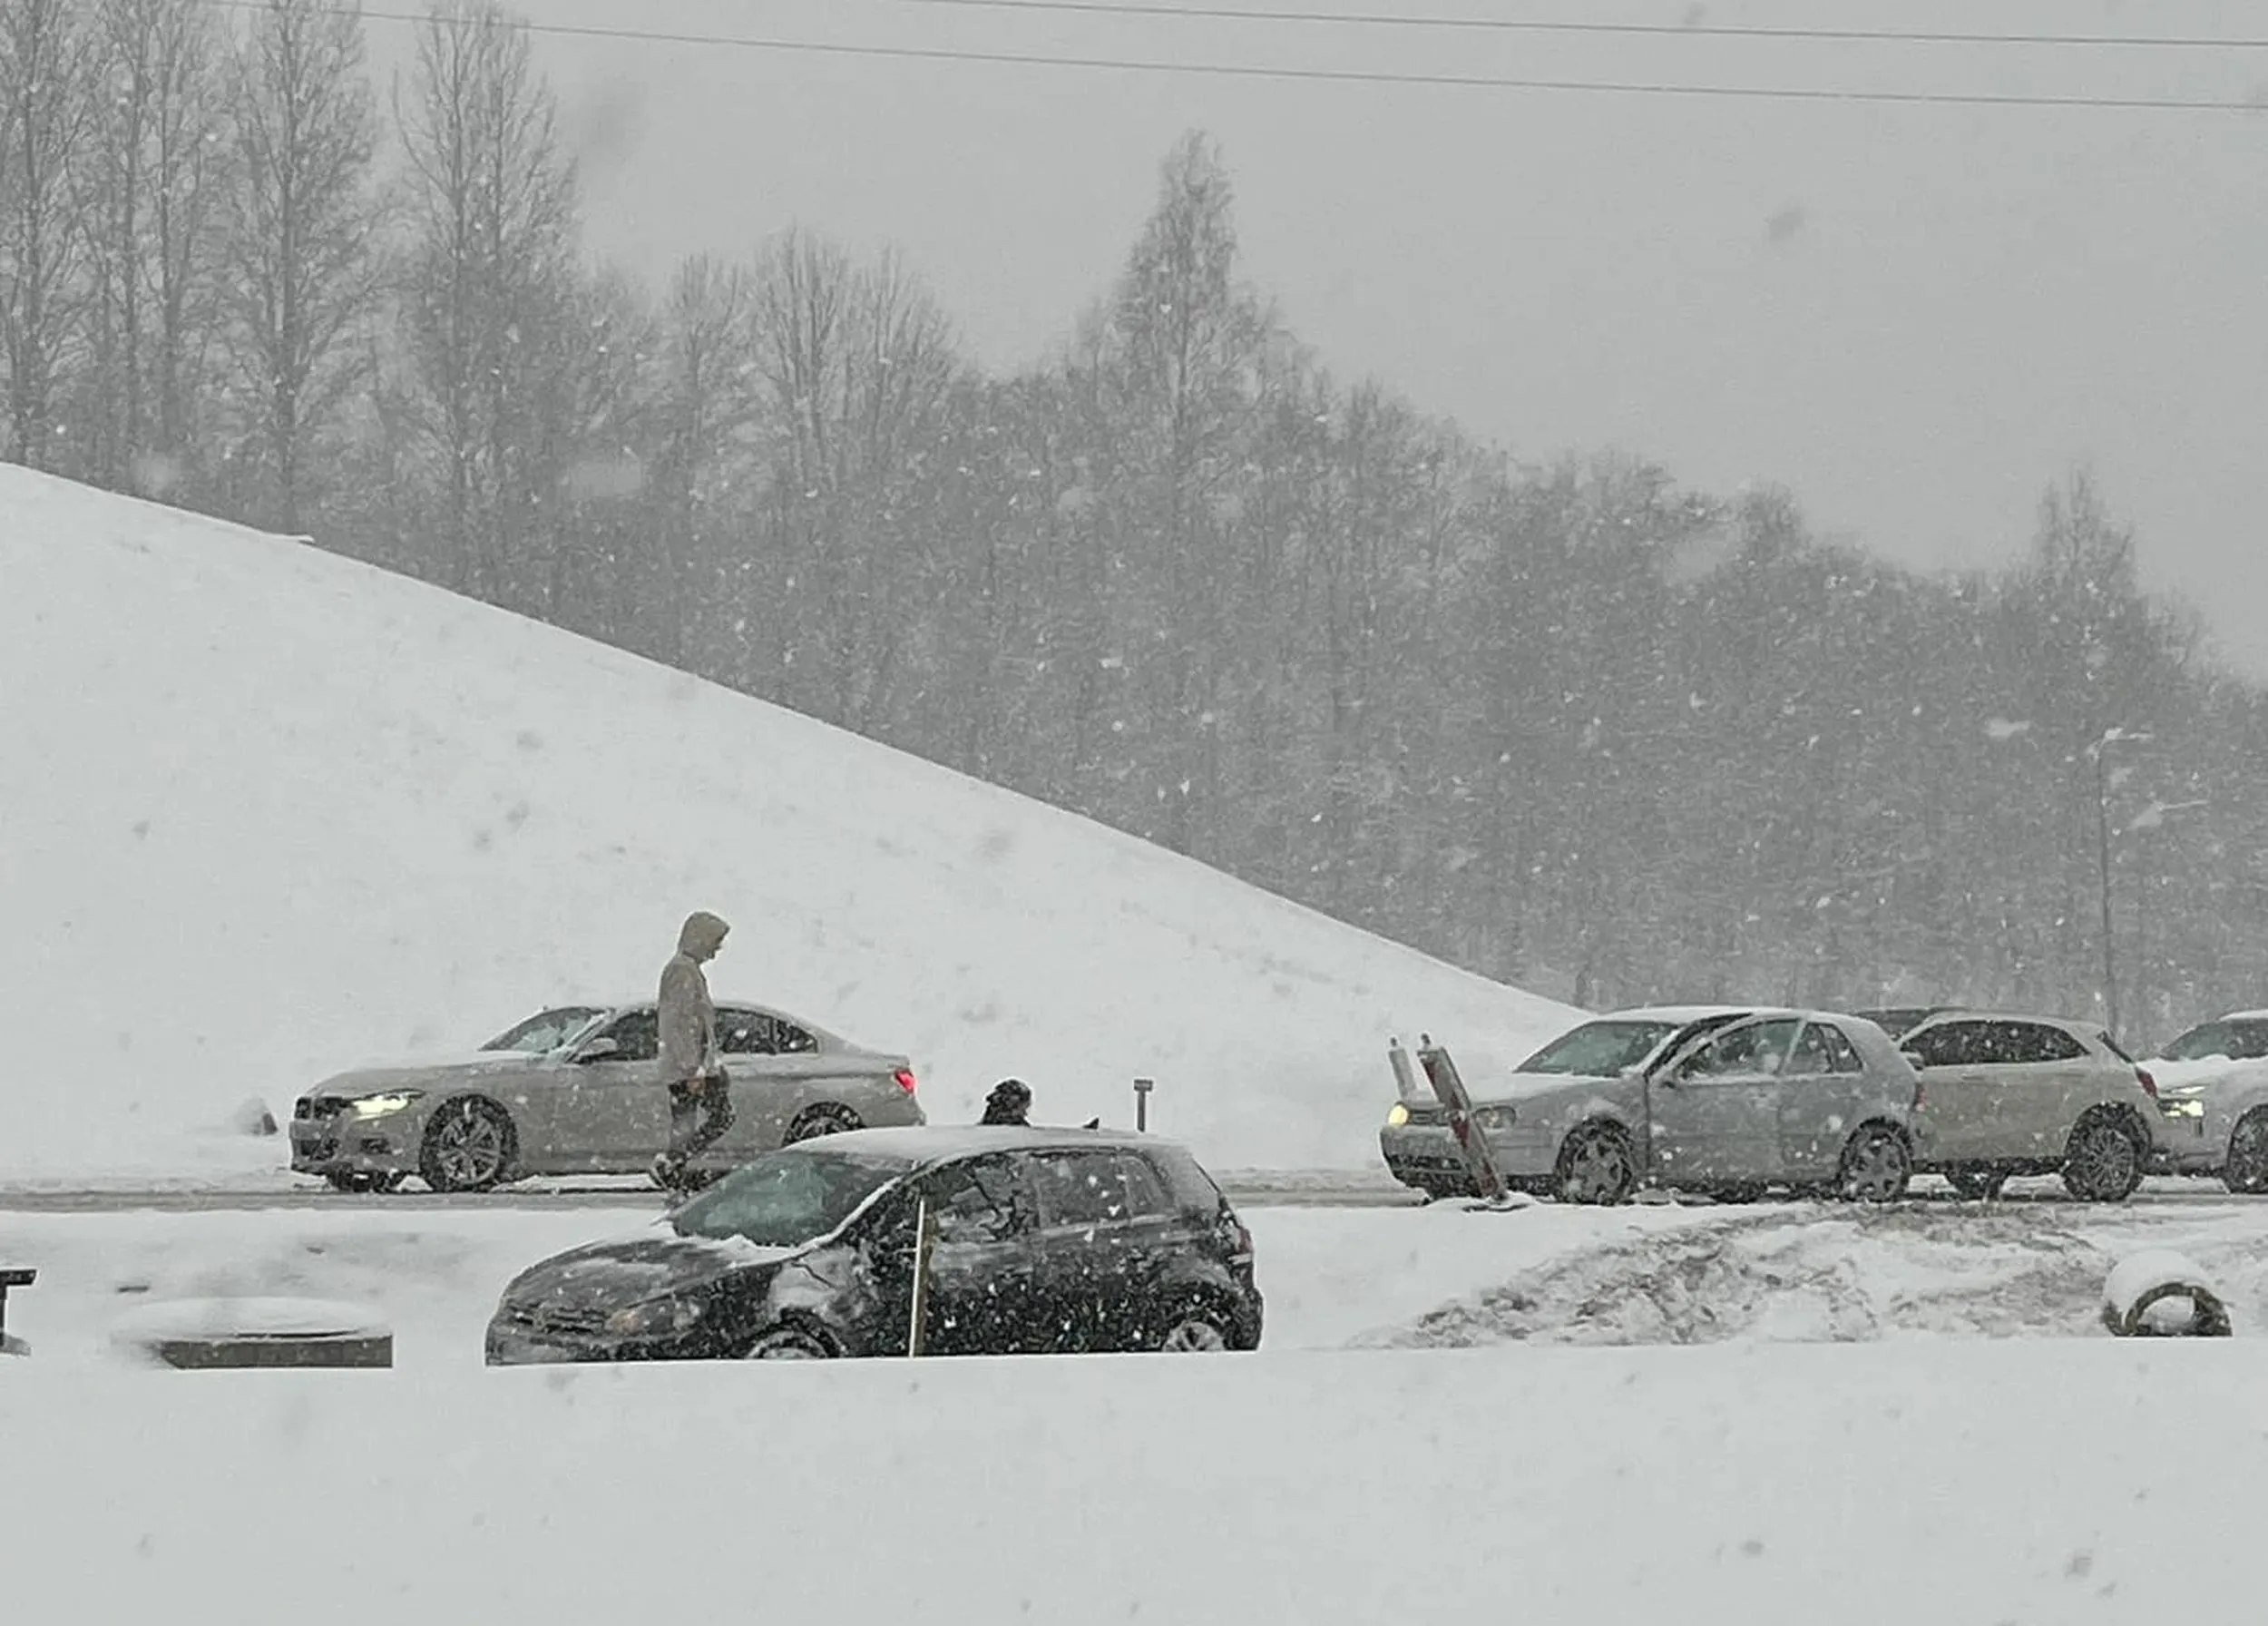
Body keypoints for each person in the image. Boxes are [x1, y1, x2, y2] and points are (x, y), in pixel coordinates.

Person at [653, 910, 732, 1191]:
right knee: (713, 1118)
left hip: (694, 1066)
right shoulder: (682, 971)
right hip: (688, 1068)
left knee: (695, 1120)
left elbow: (694, 1025)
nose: (716, 949)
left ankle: (674, 1166)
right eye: (715, 941)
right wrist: (692, 1069)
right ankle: (672, 1165)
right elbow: (681, 1023)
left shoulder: (688, 969)